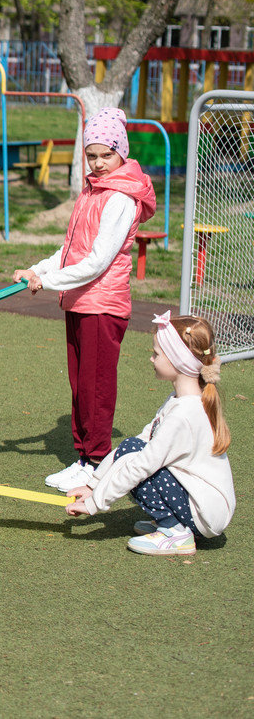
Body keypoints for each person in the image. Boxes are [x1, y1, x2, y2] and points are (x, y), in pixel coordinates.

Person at [12, 108, 156, 491]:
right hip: (79, 300)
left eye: (106, 155)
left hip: (103, 304)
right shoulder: (92, 192)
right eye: (92, 155)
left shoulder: (121, 199)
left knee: (95, 386)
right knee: (80, 384)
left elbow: (96, 262)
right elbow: (70, 248)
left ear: (121, 153)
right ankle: (85, 458)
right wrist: (36, 268)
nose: (98, 162)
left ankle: (97, 461)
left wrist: (49, 280)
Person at [64, 313, 233, 556]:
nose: (151, 358)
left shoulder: (183, 415)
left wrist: (94, 504)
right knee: (133, 446)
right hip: (201, 506)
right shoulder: (180, 402)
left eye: (157, 353)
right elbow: (139, 443)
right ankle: (174, 522)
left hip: (205, 515)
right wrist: (94, 485)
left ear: (177, 361)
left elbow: (142, 465)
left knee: (141, 469)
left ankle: (175, 532)